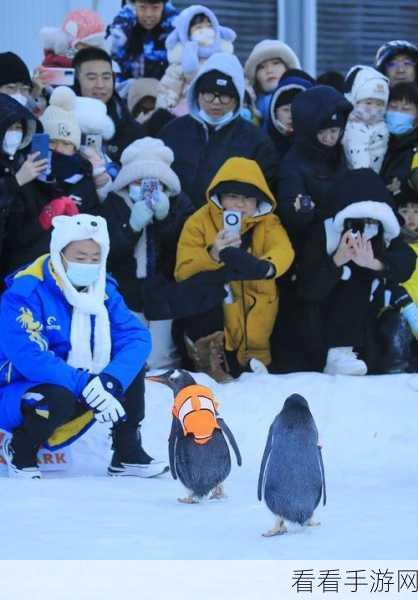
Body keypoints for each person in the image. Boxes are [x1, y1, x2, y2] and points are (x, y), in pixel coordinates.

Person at [0, 213, 167, 479]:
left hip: (80, 382)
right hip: (20, 388)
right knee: (59, 396)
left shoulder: (103, 289)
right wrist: (86, 384)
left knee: (129, 366)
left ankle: (127, 453)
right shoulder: (26, 292)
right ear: (59, 253)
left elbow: (136, 336)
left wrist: (110, 381)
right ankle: (21, 449)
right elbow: (29, 357)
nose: (88, 265)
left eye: (95, 258)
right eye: (80, 257)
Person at [174, 157, 294, 382]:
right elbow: (183, 270)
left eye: (248, 198)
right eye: (233, 197)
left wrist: (265, 267)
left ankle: (255, 362)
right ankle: (211, 360)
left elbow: (283, 250)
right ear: (220, 197)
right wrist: (212, 255)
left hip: (258, 307)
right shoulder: (198, 222)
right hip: (217, 309)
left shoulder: (269, 223)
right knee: (203, 296)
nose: (241, 204)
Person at [296, 169, 415, 375]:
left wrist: (375, 264)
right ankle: (338, 354)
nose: (365, 228)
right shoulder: (326, 233)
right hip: (320, 327)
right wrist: (336, 262)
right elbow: (307, 289)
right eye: (358, 221)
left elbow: (405, 264)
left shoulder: (384, 236)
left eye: (371, 221)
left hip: (368, 330)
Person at [101, 137, 193, 369]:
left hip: (165, 288)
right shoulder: (114, 203)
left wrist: (164, 219)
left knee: (161, 357)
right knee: (133, 352)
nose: (145, 186)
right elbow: (106, 251)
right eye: (138, 180)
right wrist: (131, 227)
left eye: (152, 181)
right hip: (128, 288)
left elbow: (184, 246)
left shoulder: (179, 202)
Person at [2, 87, 102, 276]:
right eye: (51, 143)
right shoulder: (26, 178)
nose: (58, 150)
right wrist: (42, 222)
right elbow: (12, 240)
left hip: (71, 275)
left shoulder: (84, 183)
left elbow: (97, 237)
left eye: (66, 144)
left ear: (75, 149)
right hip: (27, 274)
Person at [159, 52, 279, 210]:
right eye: (209, 94)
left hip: (230, 228)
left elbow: (264, 194)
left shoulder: (256, 141)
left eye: (224, 96)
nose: (216, 103)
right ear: (197, 94)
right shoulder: (173, 131)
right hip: (175, 226)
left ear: (237, 99)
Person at [276, 85, 352, 253]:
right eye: (322, 132)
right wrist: (301, 211)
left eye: (334, 130)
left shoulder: (340, 153)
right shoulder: (293, 163)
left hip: (344, 242)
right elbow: (289, 212)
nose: (329, 138)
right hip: (309, 246)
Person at [157, 5, 236, 116]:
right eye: (199, 27)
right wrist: (165, 110)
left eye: (209, 26)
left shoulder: (224, 57)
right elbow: (169, 89)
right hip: (188, 111)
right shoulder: (180, 61)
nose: (205, 31)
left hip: (219, 108)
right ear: (187, 34)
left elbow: (239, 82)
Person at [73, 47, 145, 164]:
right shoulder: (62, 120)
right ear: (76, 80)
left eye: (106, 77)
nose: (100, 85)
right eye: (92, 78)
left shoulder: (129, 126)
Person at [0, 94, 41, 282]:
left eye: (18, 127)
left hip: (14, 261)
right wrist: (16, 182)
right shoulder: (18, 171)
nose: (14, 133)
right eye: (9, 127)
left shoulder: (20, 162)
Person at [108, 0, 178, 83]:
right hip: (128, 92)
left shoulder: (175, 32)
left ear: (163, 7)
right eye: (142, 7)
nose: (148, 14)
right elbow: (112, 64)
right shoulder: (122, 30)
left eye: (155, 8)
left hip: (166, 92)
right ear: (133, 6)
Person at [342, 66, 390, 174]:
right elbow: (360, 164)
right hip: (362, 181)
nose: (373, 109)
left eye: (379, 104)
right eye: (368, 103)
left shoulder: (382, 124)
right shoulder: (355, 128)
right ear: (355, 102)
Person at [244, 39, 300, 130]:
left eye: (276, 63)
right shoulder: (246, 109)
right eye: (262, 67)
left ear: (287, 68)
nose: (269, 70)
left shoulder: (304, 100)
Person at [381, 82, 418, 206]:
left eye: (406, 109)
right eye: (393, 107)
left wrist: (398, 192)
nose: (398, 113)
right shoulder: (376, 141)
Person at [267, 68, 315, 159]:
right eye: (286, 110)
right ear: (274, 111)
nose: (291, 116)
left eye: (297, 109)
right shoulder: (264, 146)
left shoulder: (319, 146)